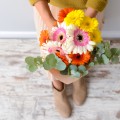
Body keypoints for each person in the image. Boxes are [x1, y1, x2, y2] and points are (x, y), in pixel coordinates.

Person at [29, 0, 108, 118]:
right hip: (49, 6)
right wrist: (49, 21)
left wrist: (87, 18)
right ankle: (58, 87)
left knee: (84, 52)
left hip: (89, 7)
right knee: (50, 54)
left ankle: (78, 76)